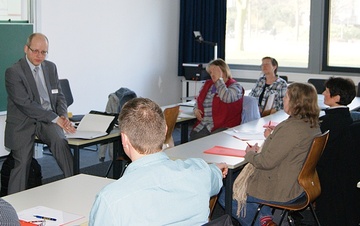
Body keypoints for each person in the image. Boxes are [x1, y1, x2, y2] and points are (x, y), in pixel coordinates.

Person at [89, 98, 228, 226]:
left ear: (124, 140)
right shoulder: (200, 171)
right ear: (165, 131)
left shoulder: (110, 200)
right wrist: (215, 168)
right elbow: (215, 178)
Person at [219, 82, 321, 226]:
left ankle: (261, 223)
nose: (284, 99)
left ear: (296, 102)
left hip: (282, 188)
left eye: (286, 96)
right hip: (298, 183)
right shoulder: (312, 124)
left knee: (225, 193)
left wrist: (249, 154)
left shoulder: (290, 128)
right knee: (237, 178)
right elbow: (289, 146)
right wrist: (273, 137)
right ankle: (265, 219)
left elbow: (265, 162)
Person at [4, 33, 75, 194]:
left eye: (43, 52)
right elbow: (26, 104)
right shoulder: (14, 72)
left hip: (47, 120)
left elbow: (60, 96)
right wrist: (56, 118)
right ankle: (12, 208)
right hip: (24, 121)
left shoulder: (51, 67)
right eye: (35, 51)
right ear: (26, 49)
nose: (39, 56)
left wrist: (62, 116)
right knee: (22, 163)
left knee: (60, 141)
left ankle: (74, 185)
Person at [316, 77, 357, 225]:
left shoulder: (329, 122)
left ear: (337, 97)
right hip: (342, 180)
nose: (323, 93)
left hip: (328, 179)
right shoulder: (347, 118)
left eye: (326, 91)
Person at [190, 58, 244, 141]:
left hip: (224, 126)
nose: (212, 74)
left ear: (223, 71)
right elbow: (198, 101)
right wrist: (195, 110)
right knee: (194, 138)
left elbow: (226, 97)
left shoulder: (235, 86)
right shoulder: (208, 84)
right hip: (205, 124)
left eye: (215, 71)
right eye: (210, 72)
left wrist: (219, 80)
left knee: (211, 141)